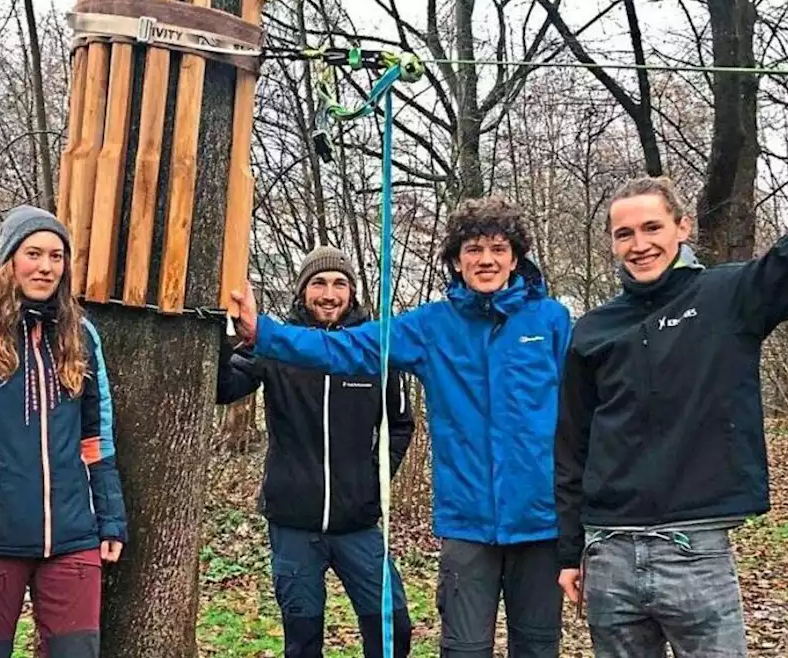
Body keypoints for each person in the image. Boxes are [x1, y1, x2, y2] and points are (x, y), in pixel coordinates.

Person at [554, 64, 788, 656]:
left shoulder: (730, 297)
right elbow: (571, 448)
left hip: (695, 552)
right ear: (612, 244)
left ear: (682, 227)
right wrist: (570, 551)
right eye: (625, 234)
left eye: (652, 227)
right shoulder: (593, 330)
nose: (639, 243)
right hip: (609, 556)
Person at [230, 197, 571, 657]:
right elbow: (343, 348)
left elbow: (579, 418)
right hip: (467, 526)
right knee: (464, 649)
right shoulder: (432, 326)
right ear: (455, 259)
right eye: (473, 249)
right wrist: (263, 332)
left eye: (497, 248)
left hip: (540, 523)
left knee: (537, 648)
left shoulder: (550, 321)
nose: (486, 260)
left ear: (515, 256)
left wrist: (580, 517)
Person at [216, 246, 416, 657]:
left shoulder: (373, 350)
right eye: (319, 283)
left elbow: (400, 424)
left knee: (392, 626)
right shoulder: (277, 346)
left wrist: (374, 482)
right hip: (294, 520)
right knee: (303, 639)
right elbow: (225, 387)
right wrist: (220, 334)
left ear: (352, 292)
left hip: (357, 521)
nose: (329, 294)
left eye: (340, 284)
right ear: (303, 291)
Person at [0, 205, 128, 658]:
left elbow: (98, 435)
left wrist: (110, 517)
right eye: (34, 253)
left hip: (73, 534)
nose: (46, 266)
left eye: (57, 256)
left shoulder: (81, 334)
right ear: (10, 258)